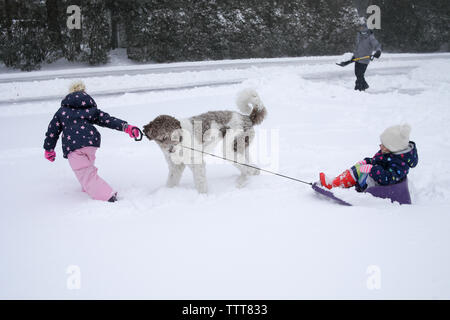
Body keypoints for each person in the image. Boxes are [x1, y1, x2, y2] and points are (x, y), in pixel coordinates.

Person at [43, 81, 139, 202]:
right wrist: (126, 127)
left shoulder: (62, 112)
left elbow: (52, 131)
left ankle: (108, 196)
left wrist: (49, 149)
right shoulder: (90, 110)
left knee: (84, 173)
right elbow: (108, 120)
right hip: (91, 143)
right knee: (87, 168)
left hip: (73, 145)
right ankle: (89, 187)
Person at [319, 124, 418, 192]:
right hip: (377, 175)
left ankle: (334, 185)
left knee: (359, 171)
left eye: (384, 145)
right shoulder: (390, 151)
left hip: (383, 186)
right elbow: (381, 161)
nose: (380, 146)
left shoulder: (400, 163)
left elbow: (388, 178)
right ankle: (336, 182)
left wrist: (372, 169)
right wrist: (369, 161)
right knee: (361, 165)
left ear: (393, 148)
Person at [353, 22, 382, 91]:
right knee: (357, 73)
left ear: (365, 28)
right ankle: (364, 85)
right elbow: (357, 47)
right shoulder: (358, 35)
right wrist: (354, 55)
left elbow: (377, 45)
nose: (359, 28)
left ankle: (359, 87)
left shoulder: (370, 37)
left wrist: (378, 51)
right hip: (357, 58)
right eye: (359, 27)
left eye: (361, 27)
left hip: (364, 59)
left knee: (360, 74)